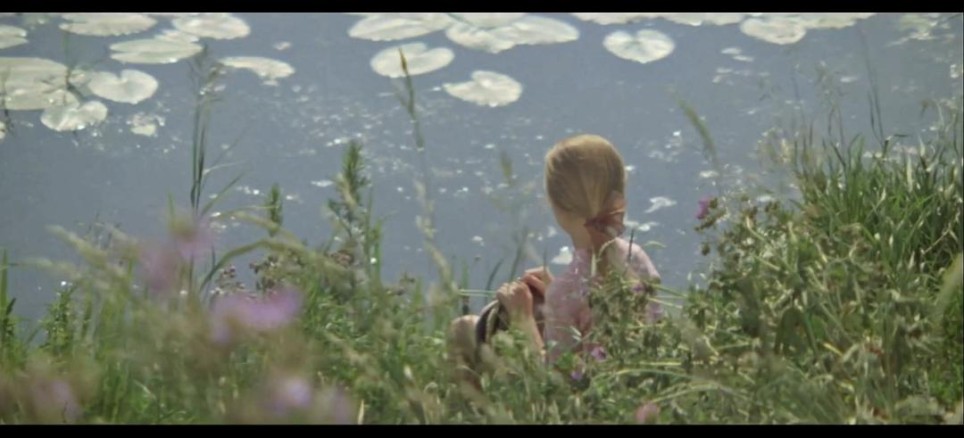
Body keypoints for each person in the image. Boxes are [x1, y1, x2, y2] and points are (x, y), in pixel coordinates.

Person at [446, 134, 661, 388]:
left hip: (591, 403)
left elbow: (556, 387)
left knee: (463, 330)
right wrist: (555, 293)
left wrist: (523, 318)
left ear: (557, 207)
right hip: (642, 390)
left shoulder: (566, 292)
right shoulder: (636, 257)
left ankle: (474, 406)